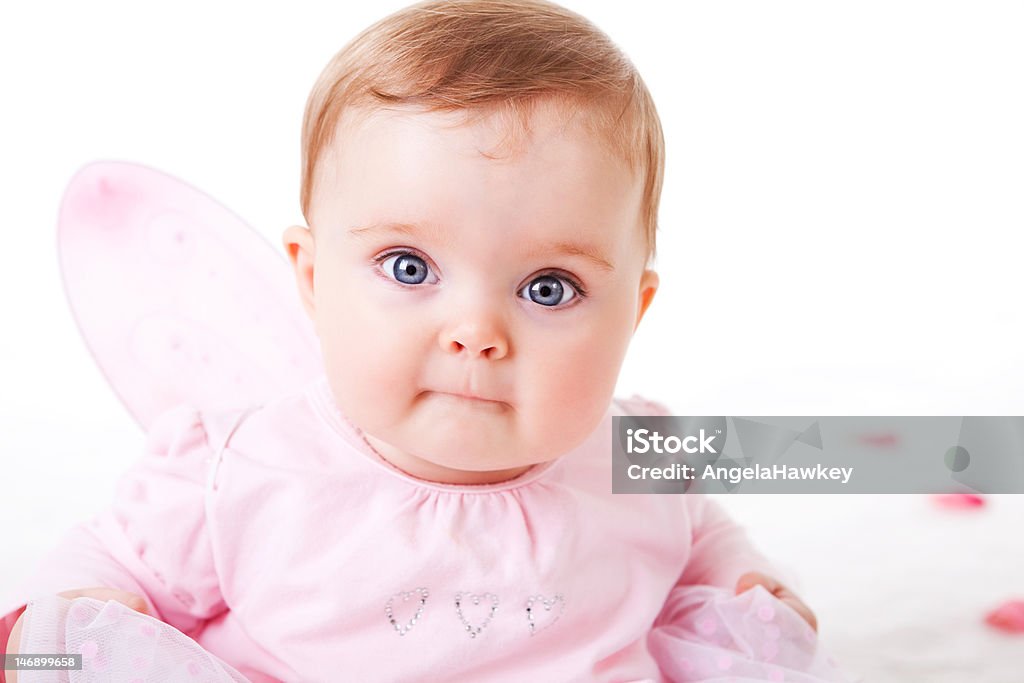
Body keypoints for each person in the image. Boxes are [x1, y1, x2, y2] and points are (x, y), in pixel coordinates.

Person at [2, 1, 844, 681]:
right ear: (313, 276)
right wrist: (77, 603)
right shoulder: (237, 469)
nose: (476, 333)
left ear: (633, 310)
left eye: (549, 288)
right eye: (408, 266)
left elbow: (703, 539)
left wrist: (744, 576)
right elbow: (105, 559)